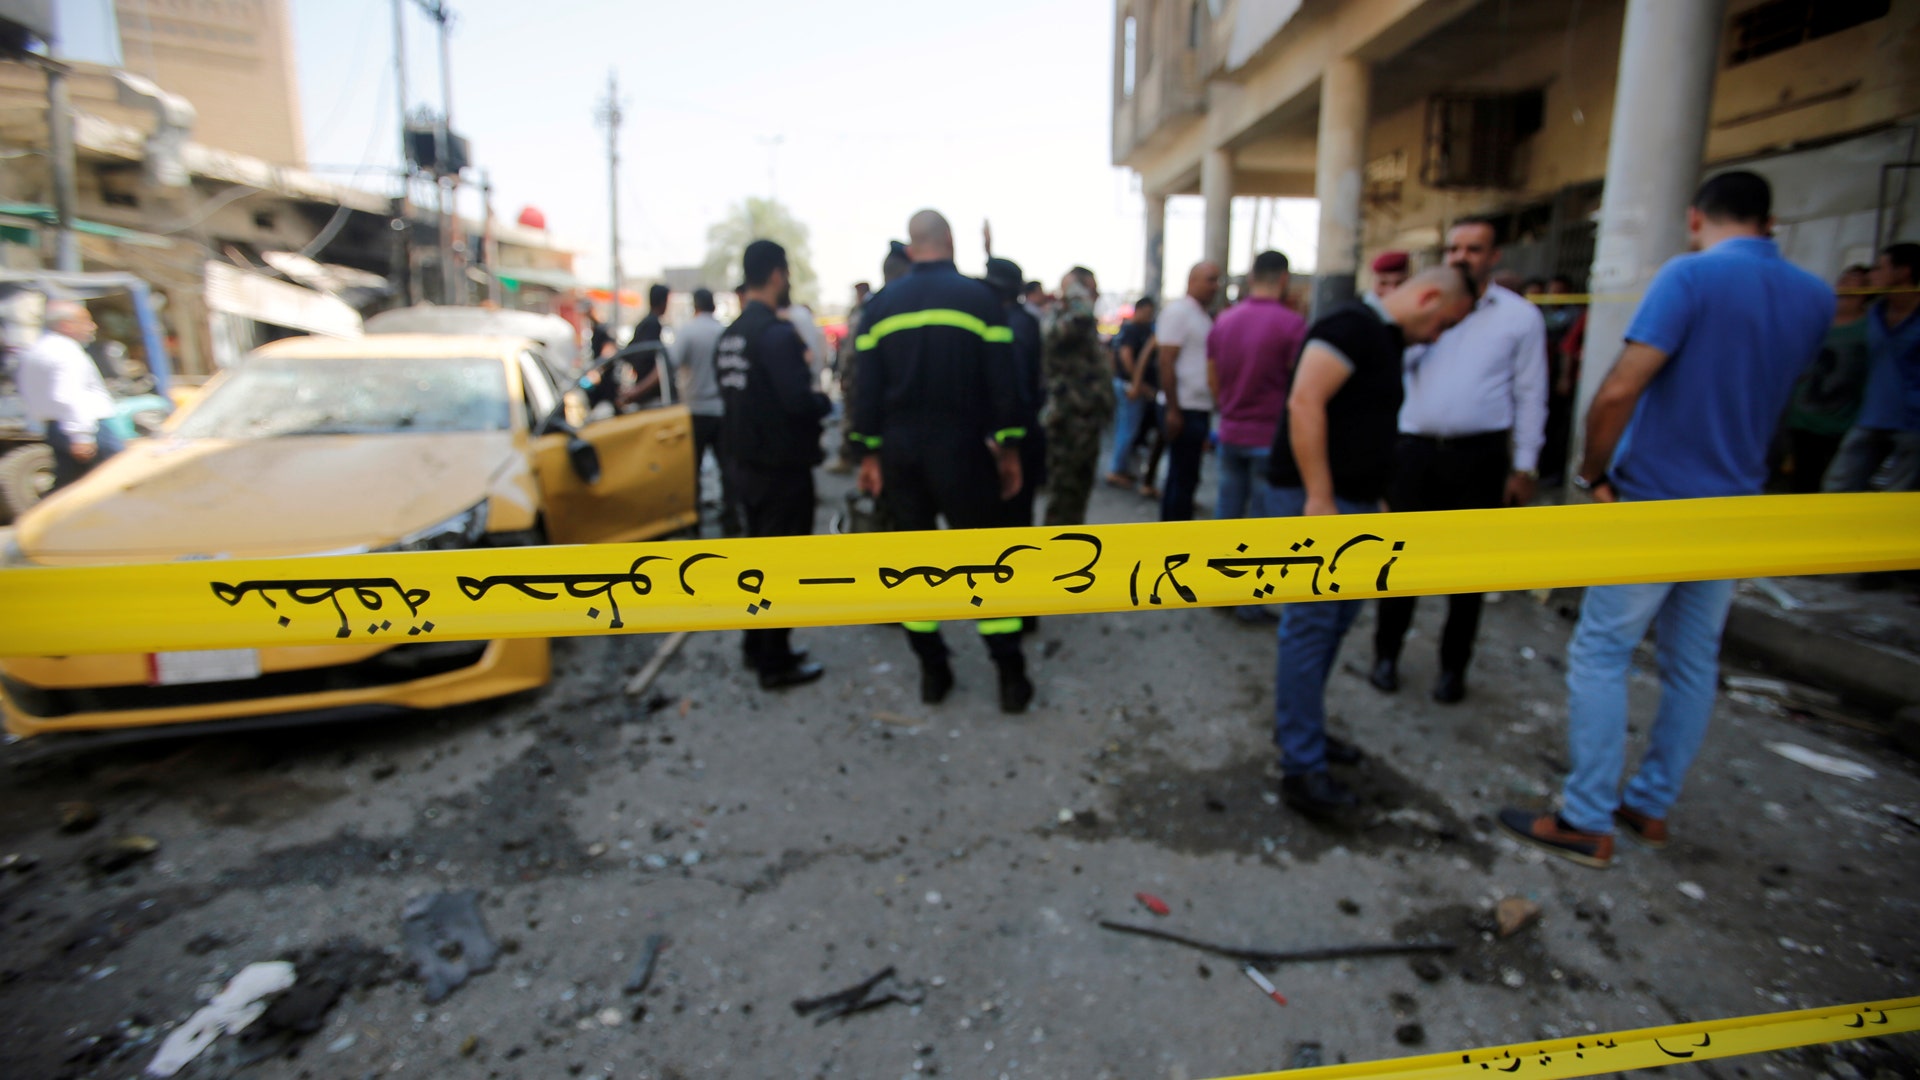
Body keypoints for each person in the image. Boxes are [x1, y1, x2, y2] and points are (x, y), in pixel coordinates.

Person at [1498, 171, 1833, 868]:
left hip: (1655, 501)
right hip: (1737, 505)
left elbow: (1618, 390)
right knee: (1692, 664)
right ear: (1768, 222)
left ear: (1694, 218)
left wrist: (1594, 472)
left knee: (1602, 653)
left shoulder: (1690, 277)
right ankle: (1651, 803)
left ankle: (1586, 816)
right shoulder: (1816, 295)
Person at [1267, 266, 1477, 817]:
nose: (1438, 336)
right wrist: (1319, 498)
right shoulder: (1350, 326)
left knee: (1333, 624)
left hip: (1352, 504)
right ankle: (1301, 766)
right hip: (1321, 504)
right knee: (1311, 626)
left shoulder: (1380, 337)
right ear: (1429, 297)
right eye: (1443, 324)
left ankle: (1304, 732)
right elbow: (1304, 402)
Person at [853, 210, 1033, 712]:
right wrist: (1011, 445)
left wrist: (868, 452)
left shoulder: (879, 308)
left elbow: (864, 391)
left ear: (911, 250)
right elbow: (1004, 384)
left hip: (899, 451)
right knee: (985, 560)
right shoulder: (979, 300)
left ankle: (933, 672)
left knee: (914, 565)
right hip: (960, 448)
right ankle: (1010, 676)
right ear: (950, 243)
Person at [1370, 218, 1549, 705]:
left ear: (1494, 256)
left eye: (1474, 249)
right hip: (1414, 453)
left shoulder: (1518, 319)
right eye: (1453, 248)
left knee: (1468, 573)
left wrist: (1525, 466)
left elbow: (1531, 394)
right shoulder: (1416, 309)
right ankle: (1385, 654)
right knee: (1398, 562)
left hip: (1478, 456)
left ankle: (1453, 668)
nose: (1461, 257)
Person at [716, 240, 832, 690]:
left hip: (745, 468)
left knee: (757, 562)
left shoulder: (732, 336)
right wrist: (824, 402)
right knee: (780, 568)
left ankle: (756, 644)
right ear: (779, 275)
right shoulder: (776, 335)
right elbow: (798, 401)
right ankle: (775, 662)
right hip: (781, 471)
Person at [1208, 249, 1306, 621]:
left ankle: (1219, 590)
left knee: (1228, 515)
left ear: (1251, 278)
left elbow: (1212, 376)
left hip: (1231, 431)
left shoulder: (1225, 322)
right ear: (1284, 279)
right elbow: (1300, 385)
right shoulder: (1292, 325)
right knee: (1263, 525)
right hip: (1269, 436)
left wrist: (1227, 408)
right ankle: (1250, 603)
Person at [1822, 243, 1920, 493]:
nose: (1872, 275)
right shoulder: (1875, 313)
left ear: (1904, 272)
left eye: (1880, 268)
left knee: (1896, 495)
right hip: (1872, 416)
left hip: (1913, 423)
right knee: (1838, 486)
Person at [1782, 265, 1873, 493]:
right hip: (1803, 416)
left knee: (1836, 480)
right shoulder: (1816, 321)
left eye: (1854, 280)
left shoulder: (1870, 328)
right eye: (1843, 278)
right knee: (1803, 478)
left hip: (1841, 418)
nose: (1845, 284)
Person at [17, 299, 120, 492]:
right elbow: (68, 395)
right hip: (84, 426)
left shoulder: (35, 351)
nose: (92, 327)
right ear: (67, 325)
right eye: (85, 321)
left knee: (70, 485)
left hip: (57, 426)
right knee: (117, 477)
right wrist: (81, 436)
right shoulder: (66, 352)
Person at [1042, 266, 1112, 527]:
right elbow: (1080, 318)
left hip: (1085, 419)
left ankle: (1071, 550)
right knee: (1064, 496)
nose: (1094, 296)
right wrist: (1074, 288)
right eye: (1089, 289)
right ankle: (1055, 556)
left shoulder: (1076, 319)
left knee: (1078, 494)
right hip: (1068, 420)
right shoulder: (1063, 319)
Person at [1155, 261, 1222, 521]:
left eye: (1217, 280)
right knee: (1181, 477)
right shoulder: (1179, 312)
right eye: (1210, 279)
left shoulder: (1201, 315)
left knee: (1187, 476)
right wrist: (1173, 409)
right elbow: (1166, 360)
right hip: (1183, 407)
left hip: (1195, 406)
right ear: (1192, 281)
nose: (1215, 286)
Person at [671, 287, 738, 535]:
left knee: (693, 471)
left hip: (695, 410)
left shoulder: (688, 331)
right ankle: (730, 520)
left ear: (695, 305)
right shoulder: (723, 331)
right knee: (726, 469)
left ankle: (694, 522)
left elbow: (671, 364)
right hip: (721, 410)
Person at [985, 256, 1046, 528]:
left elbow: (1016, 387)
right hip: (1018, 433)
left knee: (1008, 519)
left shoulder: (1009, 325)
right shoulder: (1023, 320)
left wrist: (1006, 440)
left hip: (1011, 438)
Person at [1105, 296, 1155, 489]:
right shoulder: (1133, 330)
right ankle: (1117, 469)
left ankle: (1120, 467)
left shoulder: (1127, 329)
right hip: (1128, 385)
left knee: (1124, 427)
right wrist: (1137, 382)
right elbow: (1125, 356)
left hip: (1122, 382)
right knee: (1127, 428)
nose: (1150, 317)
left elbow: (1112, 354)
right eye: (1148, 312)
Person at [1537, 274, 1583, 487]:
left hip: (1563, 381)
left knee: (1560, 428)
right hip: (1543, 376)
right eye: (1552, 291)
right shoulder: (1538, 315)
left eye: (1560, 291)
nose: (1555, 296)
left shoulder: (1575, 315)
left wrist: (1564, 378)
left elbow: (1568, 347)